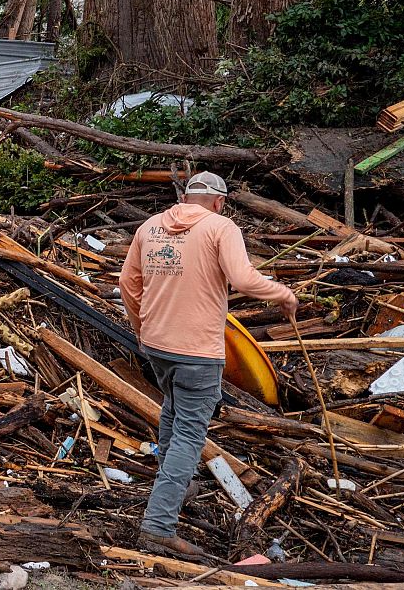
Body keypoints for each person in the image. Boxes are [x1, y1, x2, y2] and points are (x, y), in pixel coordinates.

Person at [119, 171, 298, 559]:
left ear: (185, 197)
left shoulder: (150, 227)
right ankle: (158, 526)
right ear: (219, 201)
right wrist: (284, 294)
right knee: (188, 434)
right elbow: (243, 279)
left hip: (158, 345)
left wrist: (141, 329)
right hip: (197, 351)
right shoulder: (221, 227)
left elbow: (128, 284)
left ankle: (176, 488)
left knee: (172, 412)